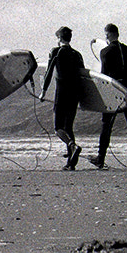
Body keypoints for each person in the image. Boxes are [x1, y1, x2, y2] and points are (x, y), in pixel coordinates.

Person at [88, 23, 127, 170]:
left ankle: (101, 158)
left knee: (106, 125)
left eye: (106, 34)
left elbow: (105, 77)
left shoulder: (105, 52)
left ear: (108, 34)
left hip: (114, 91)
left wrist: (102, 98)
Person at [39, 26, 85, 169]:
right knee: (68, 127)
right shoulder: (77, 54)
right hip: (75, 93)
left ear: (59, 38)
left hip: (62, 92)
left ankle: (72, 146)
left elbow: (48, 72)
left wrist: (43, 91)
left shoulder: (56, 52)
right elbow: (84, 76)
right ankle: (71, 164)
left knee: (58, 127)